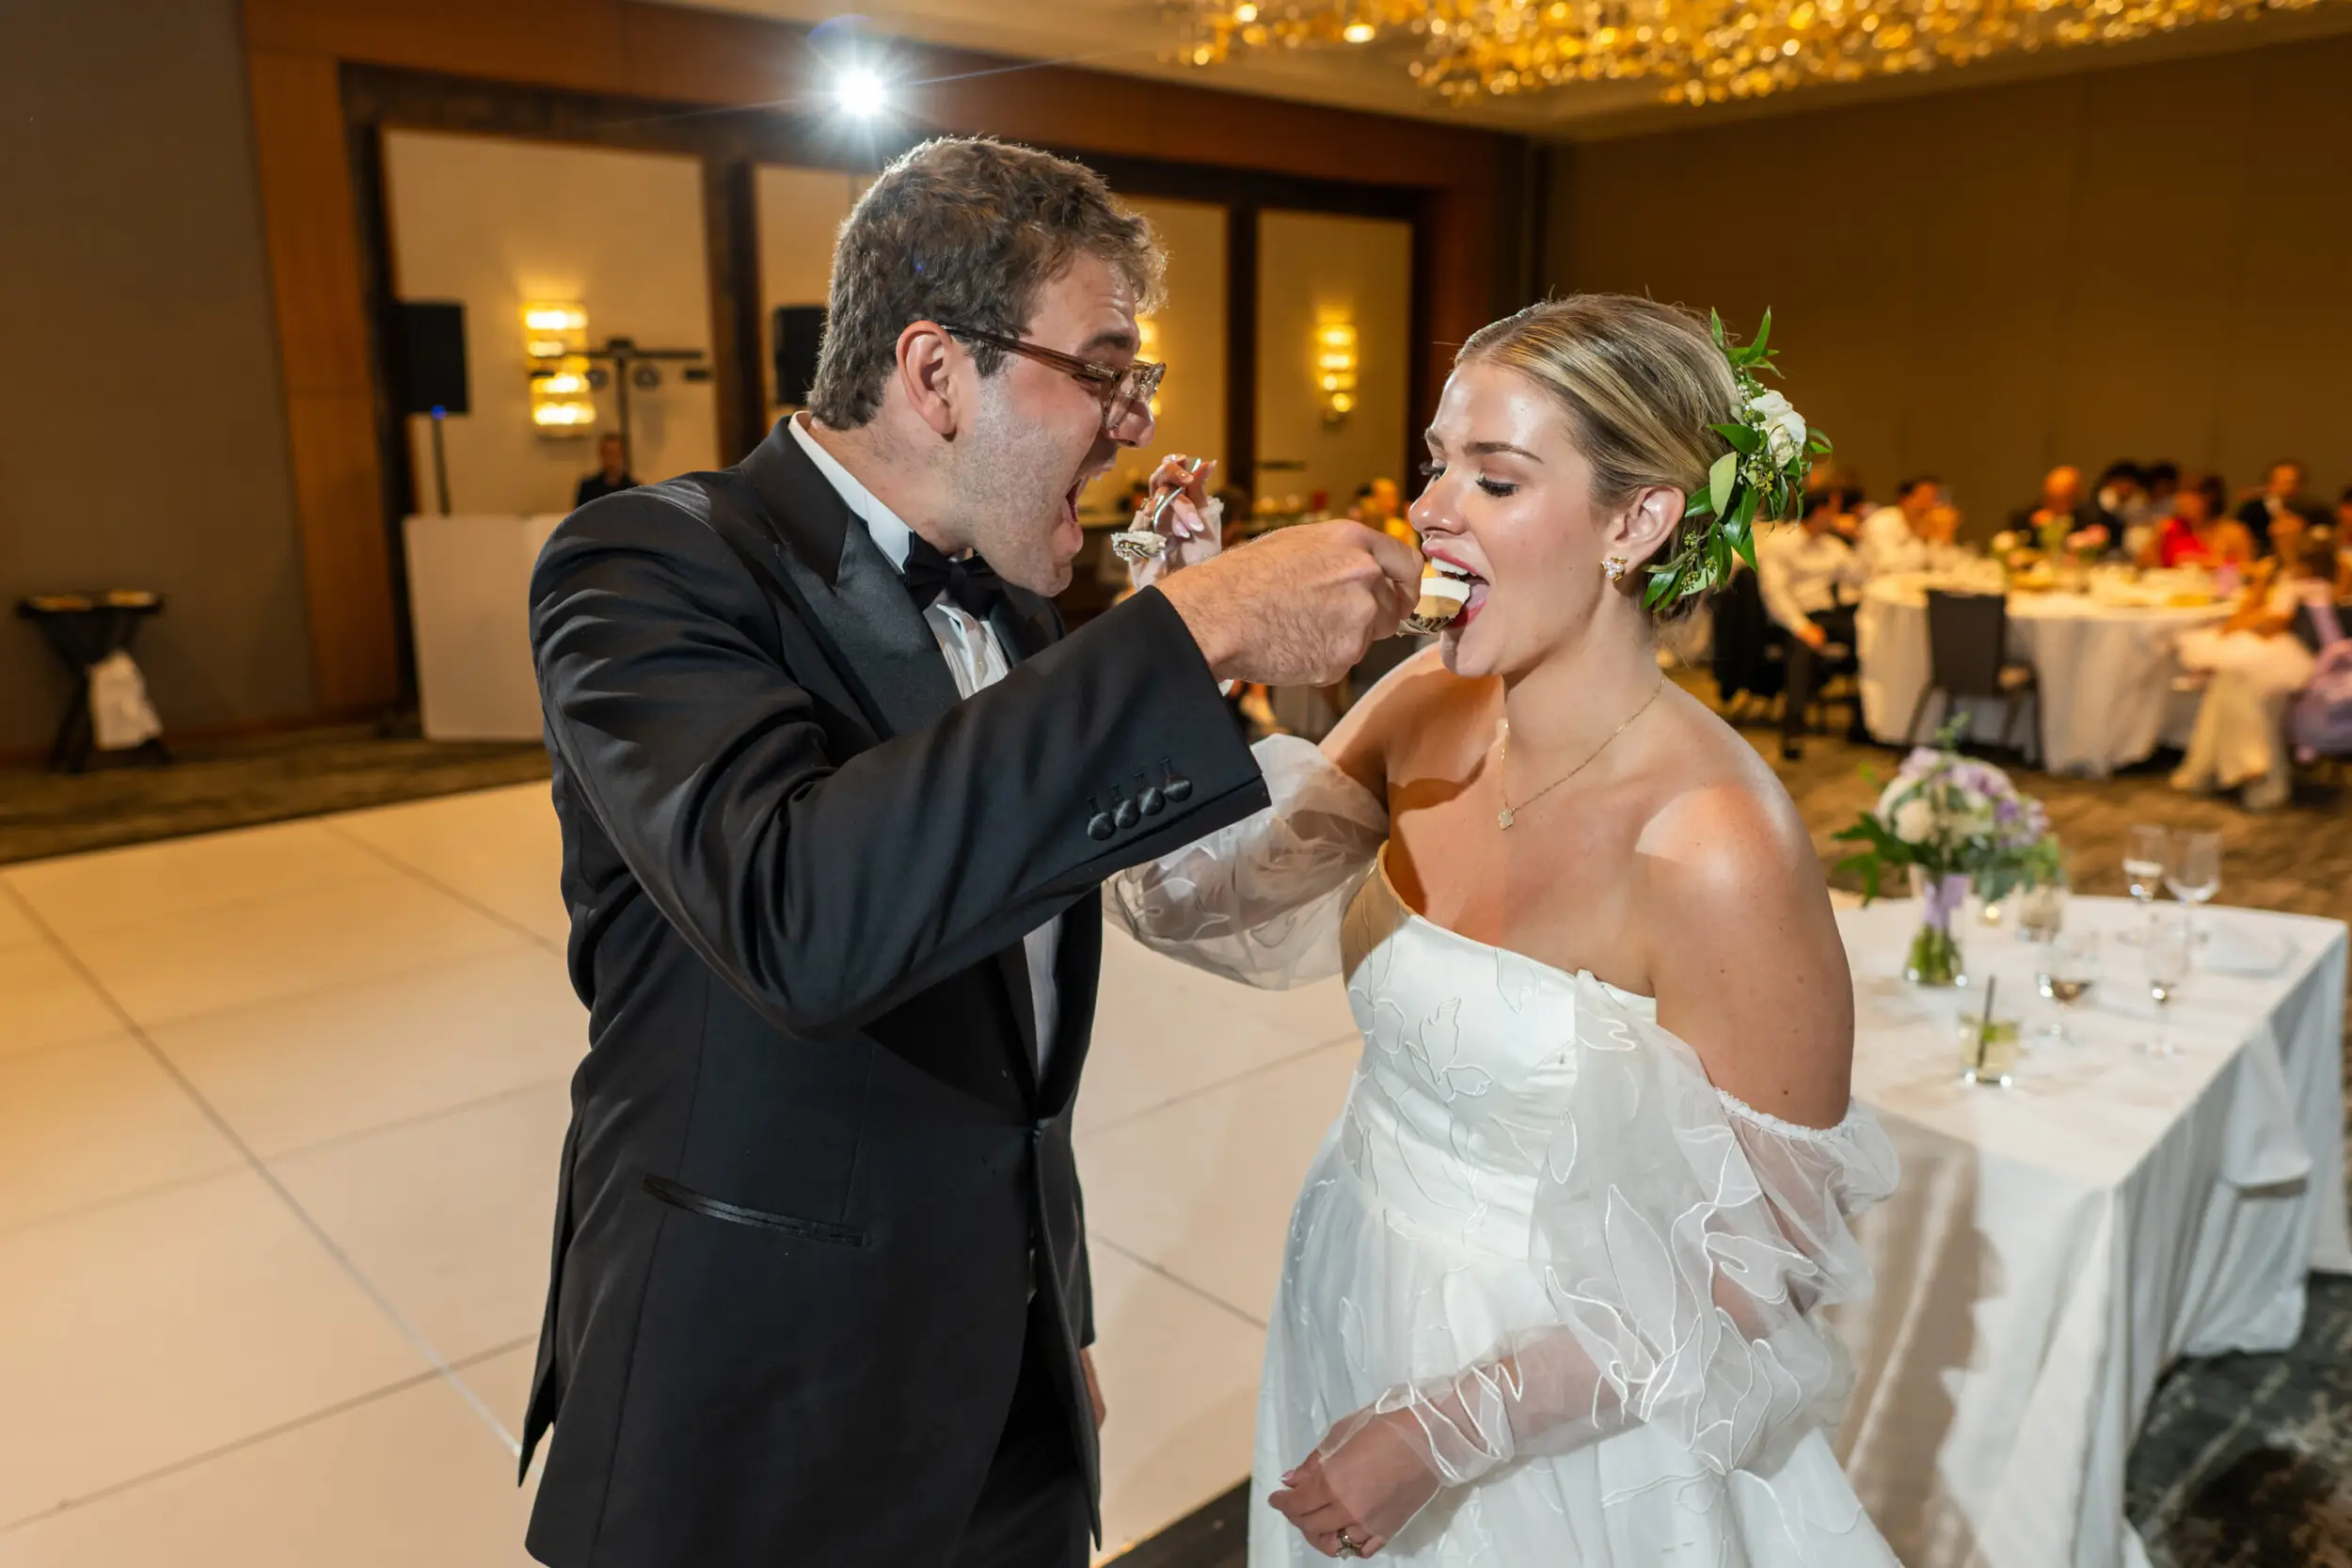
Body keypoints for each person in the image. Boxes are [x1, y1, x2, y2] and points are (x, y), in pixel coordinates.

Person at [521, 136, 1420, 1568]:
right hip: (752, 1415)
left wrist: (1044, 1318)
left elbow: (1013, 1032)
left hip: (1005, 1389)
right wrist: (1197, 629)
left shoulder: (1020, 610)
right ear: (936, 373)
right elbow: (801, 915)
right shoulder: (647, 563)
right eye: (1107, 369)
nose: (1132, 422)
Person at [1109, 294, 1898, 1567]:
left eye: (1495, 476)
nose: (1429, 509)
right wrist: (1178, 650)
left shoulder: (1715, 843)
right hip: (1356, 1274)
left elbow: (1764, 1271)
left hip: (1573, 1417)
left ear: (1634, 521)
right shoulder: (1425, 701)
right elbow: (1200, 903)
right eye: (1435, 465)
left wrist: (1447, 1423)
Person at [2172, 531, 2335, 810]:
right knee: (2229, 680)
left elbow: (2276, 624)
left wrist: (2248, 621)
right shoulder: (2282, 580)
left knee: (2240, 680)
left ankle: (2249, 763)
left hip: (2295, 657)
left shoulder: (2314, 588)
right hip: (2261, 649)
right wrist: (2260, 583)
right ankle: (2240, 764)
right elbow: (2245, 616)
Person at [1761, 484, 1869, 760]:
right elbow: (1775, 594)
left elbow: (1862, 578)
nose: (1838, 517)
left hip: (1828, 615)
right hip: (1790, 618)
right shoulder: (1780, 543)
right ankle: (1793, 728)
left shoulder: (1831, 546)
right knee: (1802, 649)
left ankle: (1864, 720)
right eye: (1834, 511)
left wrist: (1858, 539)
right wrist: (1801, 627)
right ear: (1820, 512)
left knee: (1870, 635)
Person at [2142, 473, 2255, 569]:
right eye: (2180, 494)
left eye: (2191, 496)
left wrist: (2207, 563)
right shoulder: (2170, 527)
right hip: (2170, 590)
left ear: (2210, 499)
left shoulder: (2233, 532)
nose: (2181, 501)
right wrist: (2158, 540)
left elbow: (2248, 570)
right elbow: (2143, 564)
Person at [1859, 474, 1961, 577]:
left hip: (1915, 585)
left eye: (1934, 499)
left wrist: (1945, 537)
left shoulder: (1928, 524)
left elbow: (1946, 567)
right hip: (1875, 585)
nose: (1930, 505)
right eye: (1925, 497)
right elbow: (1888, 566)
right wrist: (1922, 541)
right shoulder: (1881, 523)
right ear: (1905, 500)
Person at [2009, 465, 2113, 553]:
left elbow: (2104, 550)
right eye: (2052, 496)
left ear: (2077, 497)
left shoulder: (2089, 517)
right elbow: (2012, 544)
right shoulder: (2025, 516)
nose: (2057, 503)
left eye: (2065, 497)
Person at [2235, 459, 2319, 550]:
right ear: (2270, 484)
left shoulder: (2313, 511)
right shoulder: (2252, 510)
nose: (2289, 488)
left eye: (2294, 482)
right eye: (2284, 482)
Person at [574, 432, 640, 506]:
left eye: (612, 453)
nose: (609, 458)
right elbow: (579, 516)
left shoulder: (634, 489)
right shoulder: (588, 488)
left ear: (622, 454)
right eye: (606, 453)